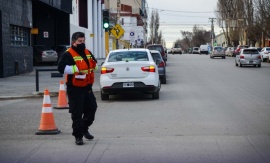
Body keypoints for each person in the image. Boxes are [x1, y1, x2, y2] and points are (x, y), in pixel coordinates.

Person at [58, 32, 98, 145]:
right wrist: (75, 69)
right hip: (75, 88)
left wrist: (93, 67)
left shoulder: (87, 52)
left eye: (83, 41)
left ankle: (84, 128)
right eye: (80, 41)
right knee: (77, 113)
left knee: (92, 109)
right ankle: (78, 136)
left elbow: (94, 64)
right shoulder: (68, 54)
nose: (82, 43)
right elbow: (61, 68)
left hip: (87, 87)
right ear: (73, 42)